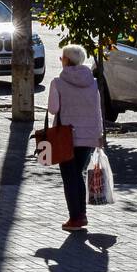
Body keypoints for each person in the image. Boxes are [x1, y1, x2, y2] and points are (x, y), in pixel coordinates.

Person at [46, 44, 104, 232]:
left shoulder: (57, 82)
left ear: (67, 60)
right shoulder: (93, 82)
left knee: (69, 177)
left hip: (66, 136)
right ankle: (82, 214)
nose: (61, 61)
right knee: (77, 174)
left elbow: (53, 109)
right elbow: (97, 111)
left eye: (62, 58)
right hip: (88, 136)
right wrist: (99, 135)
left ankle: (75, 218)